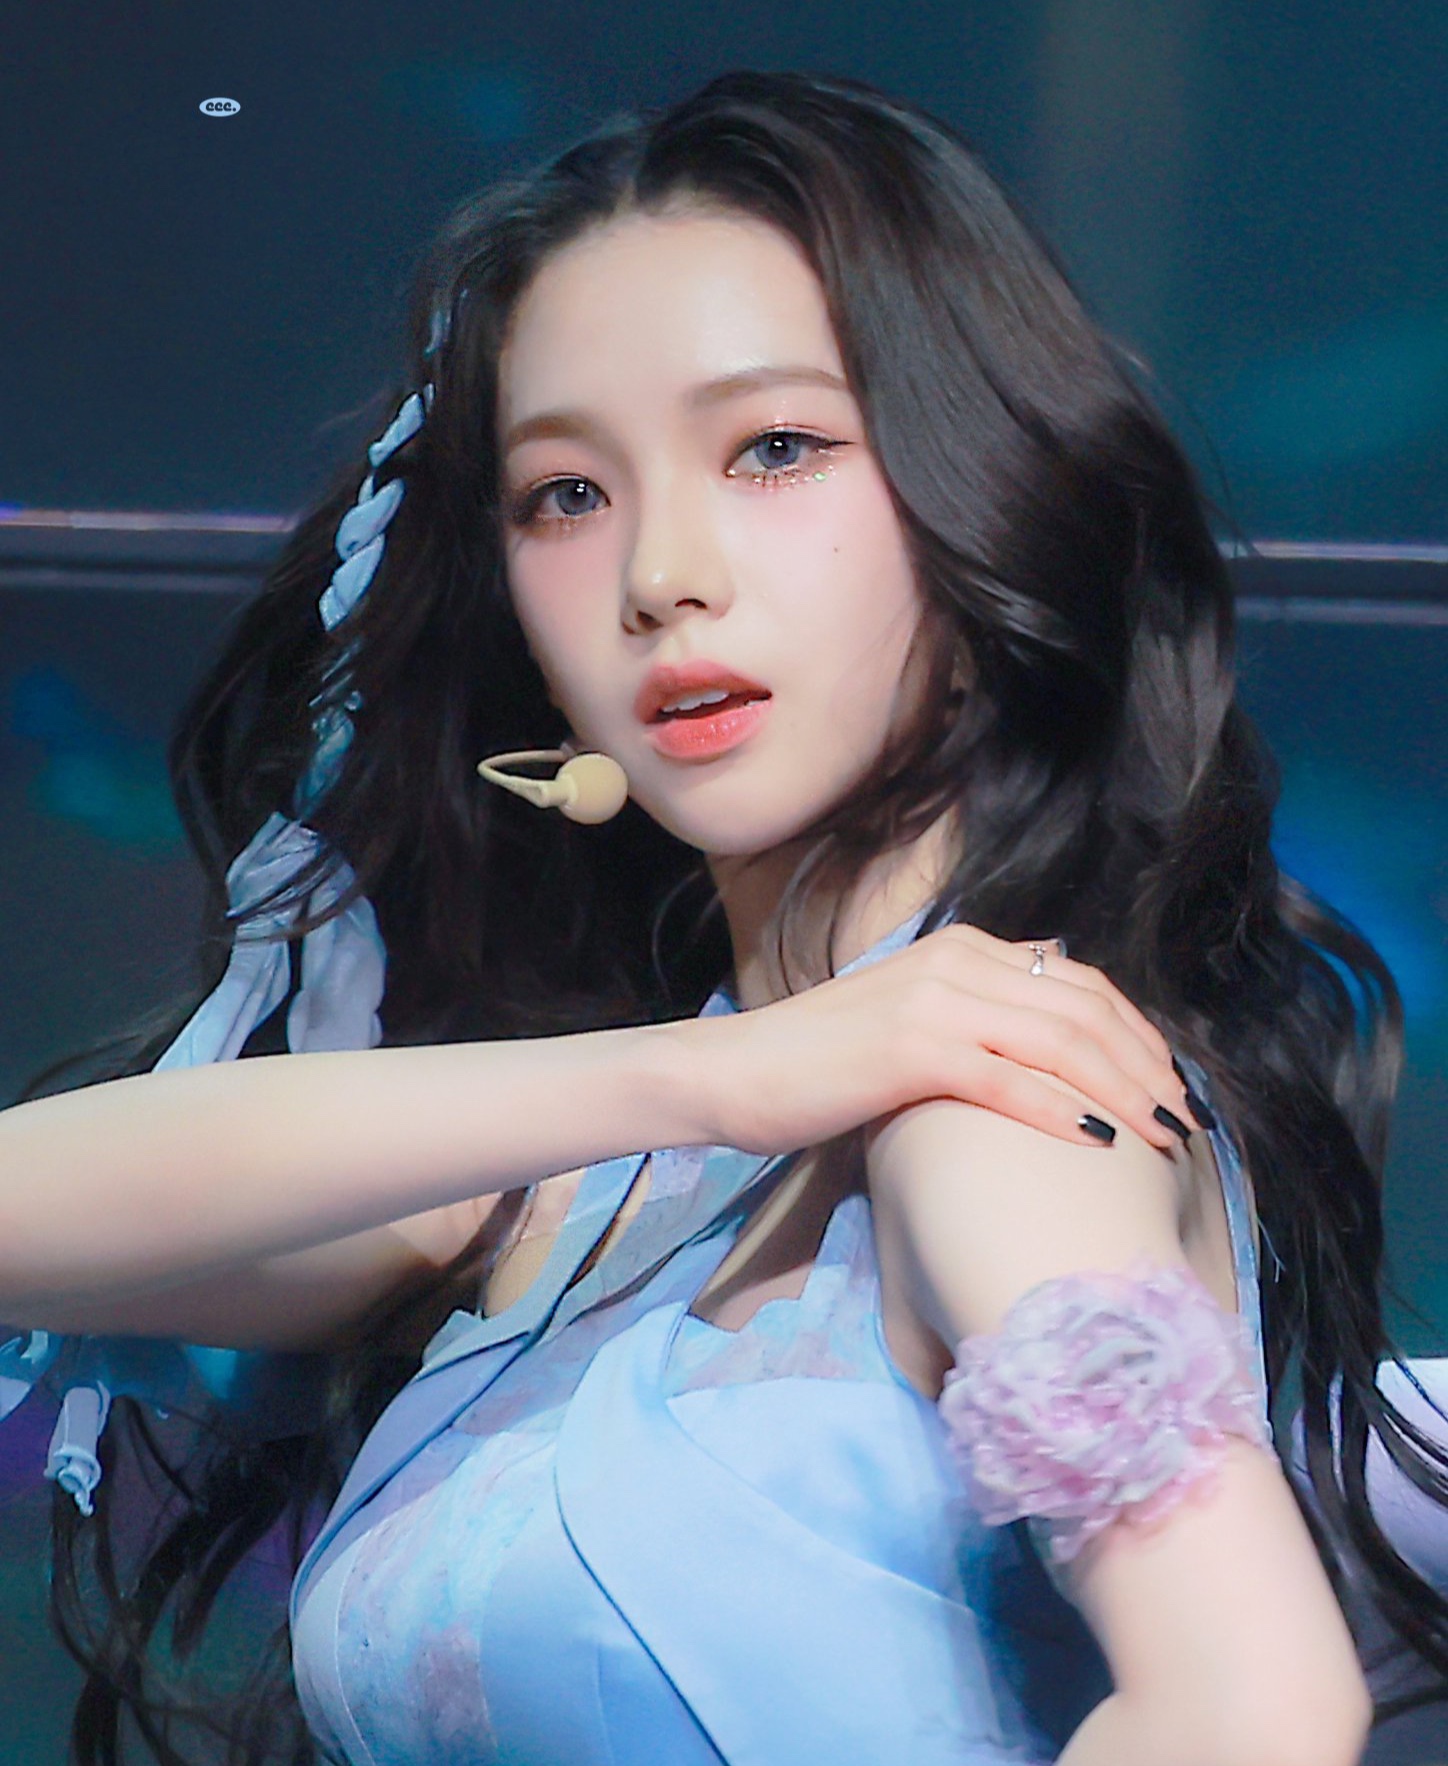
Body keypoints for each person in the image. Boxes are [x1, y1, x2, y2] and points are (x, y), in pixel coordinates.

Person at [1, 67, 1444, 1766]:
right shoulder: (598, 1188)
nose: (659, 573)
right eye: (565, 492)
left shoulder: (995, 1101)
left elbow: (1253, 1704)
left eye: (776, 448)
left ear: (978, 494)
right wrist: (715, 1077)